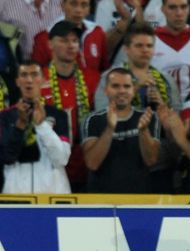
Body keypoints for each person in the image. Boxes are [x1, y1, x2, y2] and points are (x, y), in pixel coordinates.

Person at [95, 22, 182, 193]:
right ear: (126, 49)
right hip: (119, 163)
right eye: (139, 45)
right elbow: (100, 116)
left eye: (149, 45)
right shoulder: (109, 77)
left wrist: (162, 107)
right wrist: (133, 89)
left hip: (159, 165)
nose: (145, 50)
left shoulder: (165, 80)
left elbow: (176, 122)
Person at [40, 20, 100, 192]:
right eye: (64, 40)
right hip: (50, 167)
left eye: (74, 41)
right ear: (50, 44)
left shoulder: (93, 79)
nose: (71, 45)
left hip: (85, 166)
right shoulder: (38, 79)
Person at [81, 67, 160, 193]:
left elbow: (151, 161)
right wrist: (110, 128)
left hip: (139, 199)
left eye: (127, 86)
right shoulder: (93, 120)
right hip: (101, 199)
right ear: (106, 90)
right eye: (116, 86)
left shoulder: (148, 117)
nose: (122, 91)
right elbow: (92, 163)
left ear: (133, 90)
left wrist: (143, 131)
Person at [1, 61, 70, 194]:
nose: (29, 80)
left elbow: (61, 159)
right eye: (24, 75)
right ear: (17, 81)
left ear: (43, 80)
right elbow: (6, 158)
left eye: (34, 74)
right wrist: (20, 125)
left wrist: (42, 126)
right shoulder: (5, 117)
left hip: (53, 194)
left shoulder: (58, 115)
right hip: (16, 194)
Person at [152, 0, 190, 105]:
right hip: (159, 108)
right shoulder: (150, 41)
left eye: (183, 7)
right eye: (172, 7)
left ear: (189, 9)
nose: (179, 13)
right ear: (163, 9)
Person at [32, 0, 109, 71]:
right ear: (62, 6)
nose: (78, 10)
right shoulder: (44, 38)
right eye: (73, 4)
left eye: (84, 5)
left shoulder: (97, 32)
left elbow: (104, 69)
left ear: (89, 9)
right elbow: (37, 74)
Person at [95, 0, 166, 64]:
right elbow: (101, 49)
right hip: (116, 69)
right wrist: (124, 21)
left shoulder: (161, 5)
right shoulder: (107, 4)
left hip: (148, 68)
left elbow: (160, 49)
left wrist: (139, 13)